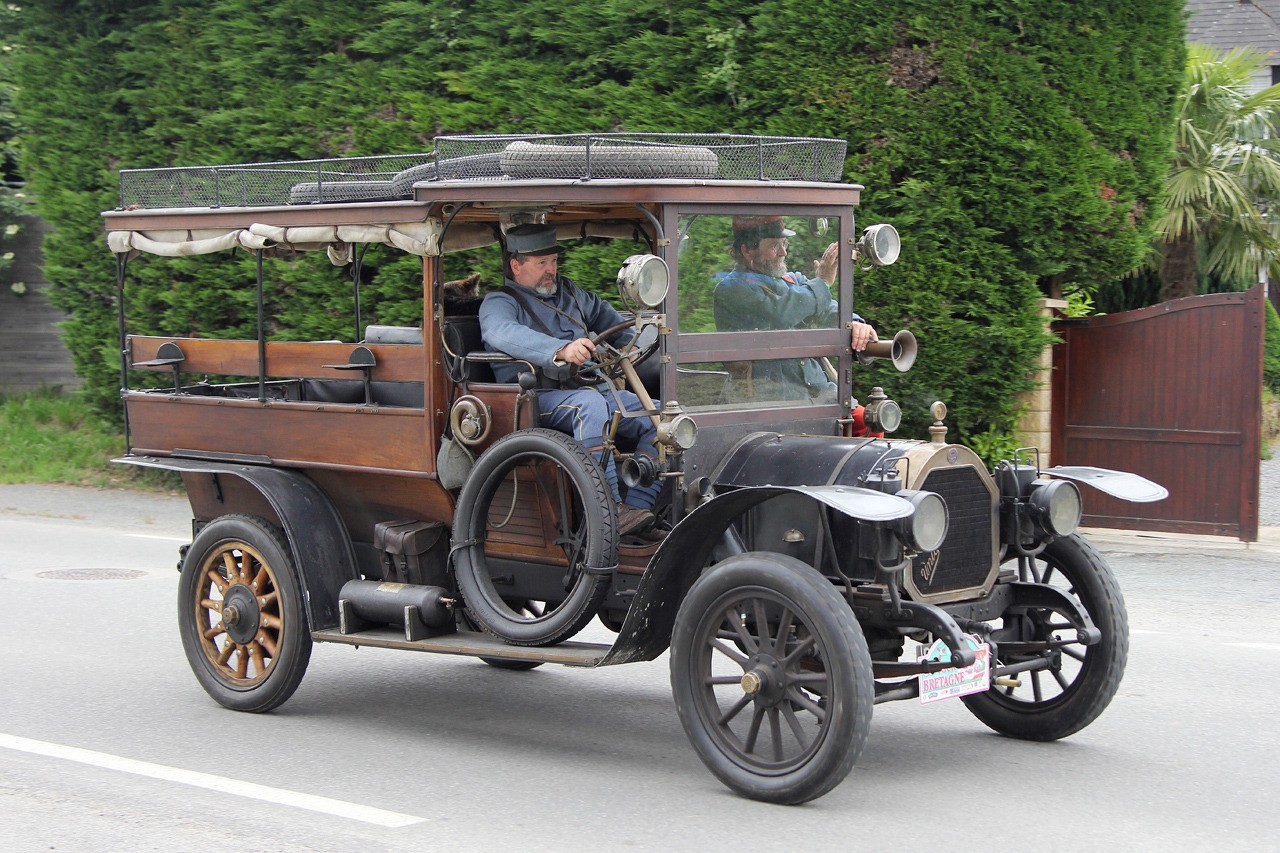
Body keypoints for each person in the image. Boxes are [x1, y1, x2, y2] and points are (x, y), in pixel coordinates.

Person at [478, 223, 662, 535]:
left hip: (589, 387)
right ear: (516, 266)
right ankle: (610, 512)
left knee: (660, 418)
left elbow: (609, 319)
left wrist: (632, 345)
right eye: (541, 264)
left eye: (553, 261)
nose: (551, 270)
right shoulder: (499, 301)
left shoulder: (570, 293)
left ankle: (639, 510)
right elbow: (502, 332)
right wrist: (561, 350)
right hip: (535, 398)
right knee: (588, 406)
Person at [713, 215, 877, 402]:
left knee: (867, 422)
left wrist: (854, 324)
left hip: (818, 392)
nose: (784, 252)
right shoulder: (731, 289)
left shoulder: (793, 280)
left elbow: (824, 308)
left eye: (785, 244)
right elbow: (782, 313)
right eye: (775, 246)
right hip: (768, 399)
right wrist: (822, 283)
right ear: (747, 251)